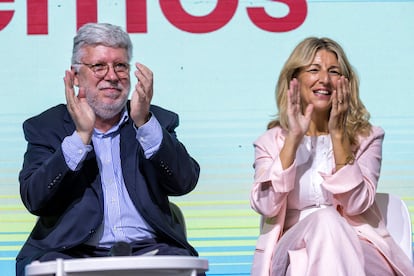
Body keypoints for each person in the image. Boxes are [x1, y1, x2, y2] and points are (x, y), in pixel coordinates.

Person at [16, 22, 202, 276]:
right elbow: (34, 199)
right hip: (71, 251)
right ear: (75, 75)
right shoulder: (46, 127)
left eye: (120, 66)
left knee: (183, 265)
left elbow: (184, 182)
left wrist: (144, 122)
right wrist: (80, 137)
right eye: (99, 66)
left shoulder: (154, 120)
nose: (112, 76)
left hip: (149, 250)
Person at [250, 37, 414, 275]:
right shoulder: (271, 142)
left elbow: (357, 203)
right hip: (292, 246)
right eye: (314, 69)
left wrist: (338, 136)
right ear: (294, 79)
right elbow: (265, 206)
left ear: (345, 82)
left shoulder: (367, 137)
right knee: (325, 220)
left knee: (327, 234)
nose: (324, 79)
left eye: (334, 71)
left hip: (359, 242)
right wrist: (293, 139)